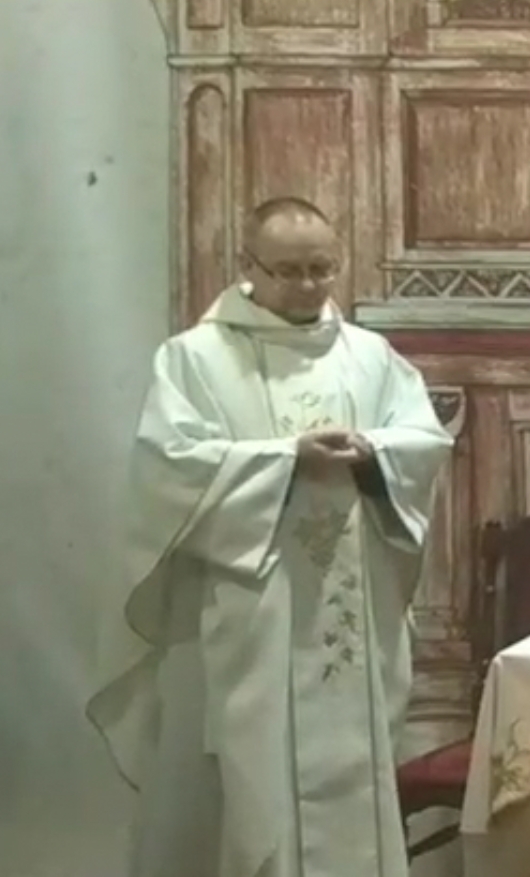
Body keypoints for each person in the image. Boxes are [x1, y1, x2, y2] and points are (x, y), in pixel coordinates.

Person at [86, 197, 455, 877]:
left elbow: (423, 440)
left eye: (322, 268)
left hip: (350, 616)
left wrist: (374, 451)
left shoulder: (369, 357)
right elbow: (169, 466)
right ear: (249, 266)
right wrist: (287, 460)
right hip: (251, 618)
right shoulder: (196, 358)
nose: (309, 285)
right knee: (252, 785)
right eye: (289, 270)